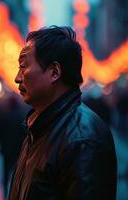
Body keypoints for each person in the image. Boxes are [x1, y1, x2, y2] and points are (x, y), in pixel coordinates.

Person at [9, 26, 117, 200]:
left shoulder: (82, 138)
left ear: (54, 72)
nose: (17, 78)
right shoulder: (38, 128)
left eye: (23, 66)